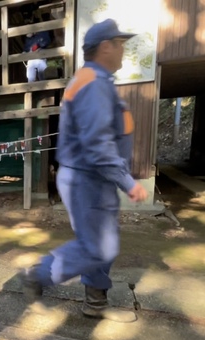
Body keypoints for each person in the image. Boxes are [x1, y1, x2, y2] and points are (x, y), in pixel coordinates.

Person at [21, 19, 148, 323]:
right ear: (106, 46)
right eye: (120, 44)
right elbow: (98, 145)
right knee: (97, 246)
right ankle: (38, 274)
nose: (122, 51)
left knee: (102, 243)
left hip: (91, 178)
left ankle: (95, 300)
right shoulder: (93, 83)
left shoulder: (93, 80)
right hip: (87, 177)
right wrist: (127, 181)